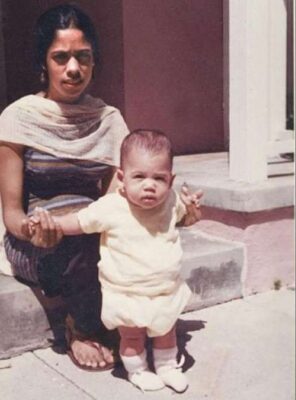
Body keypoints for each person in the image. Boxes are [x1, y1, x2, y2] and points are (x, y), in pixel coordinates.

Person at [0, 4, 129, 371]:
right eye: (61, 57)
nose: (73, 68)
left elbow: (115, 196)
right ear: (44, 62)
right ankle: (81, 327)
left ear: (94, 61)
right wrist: (35, 230)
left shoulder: (108, 119)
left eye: (83, 57)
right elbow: (11, 212)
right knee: (74, 241)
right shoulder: (18, 118)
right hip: (35, 241)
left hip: (88, 234)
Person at [30, 129, 203, 393]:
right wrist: (52, 224)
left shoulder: (170, 201)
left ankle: (167, 367)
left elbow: (185, 218)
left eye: (159, 178)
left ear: (171, 180)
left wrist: (191, 209)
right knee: (132, 336)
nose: (149, 185)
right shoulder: (111, 207)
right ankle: (138, 371)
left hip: (165, 288)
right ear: (122, 178)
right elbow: (78, 221)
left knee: (166, 331)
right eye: (139, 177)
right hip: (126, 291)